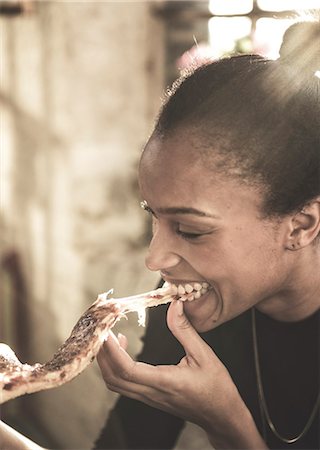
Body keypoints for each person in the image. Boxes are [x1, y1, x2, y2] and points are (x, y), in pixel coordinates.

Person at [94, 20, 320, 450]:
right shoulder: (187, 301)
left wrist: (227, 423)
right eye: (154, 218)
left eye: (190, 230)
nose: (156, 259)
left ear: (302, 225)